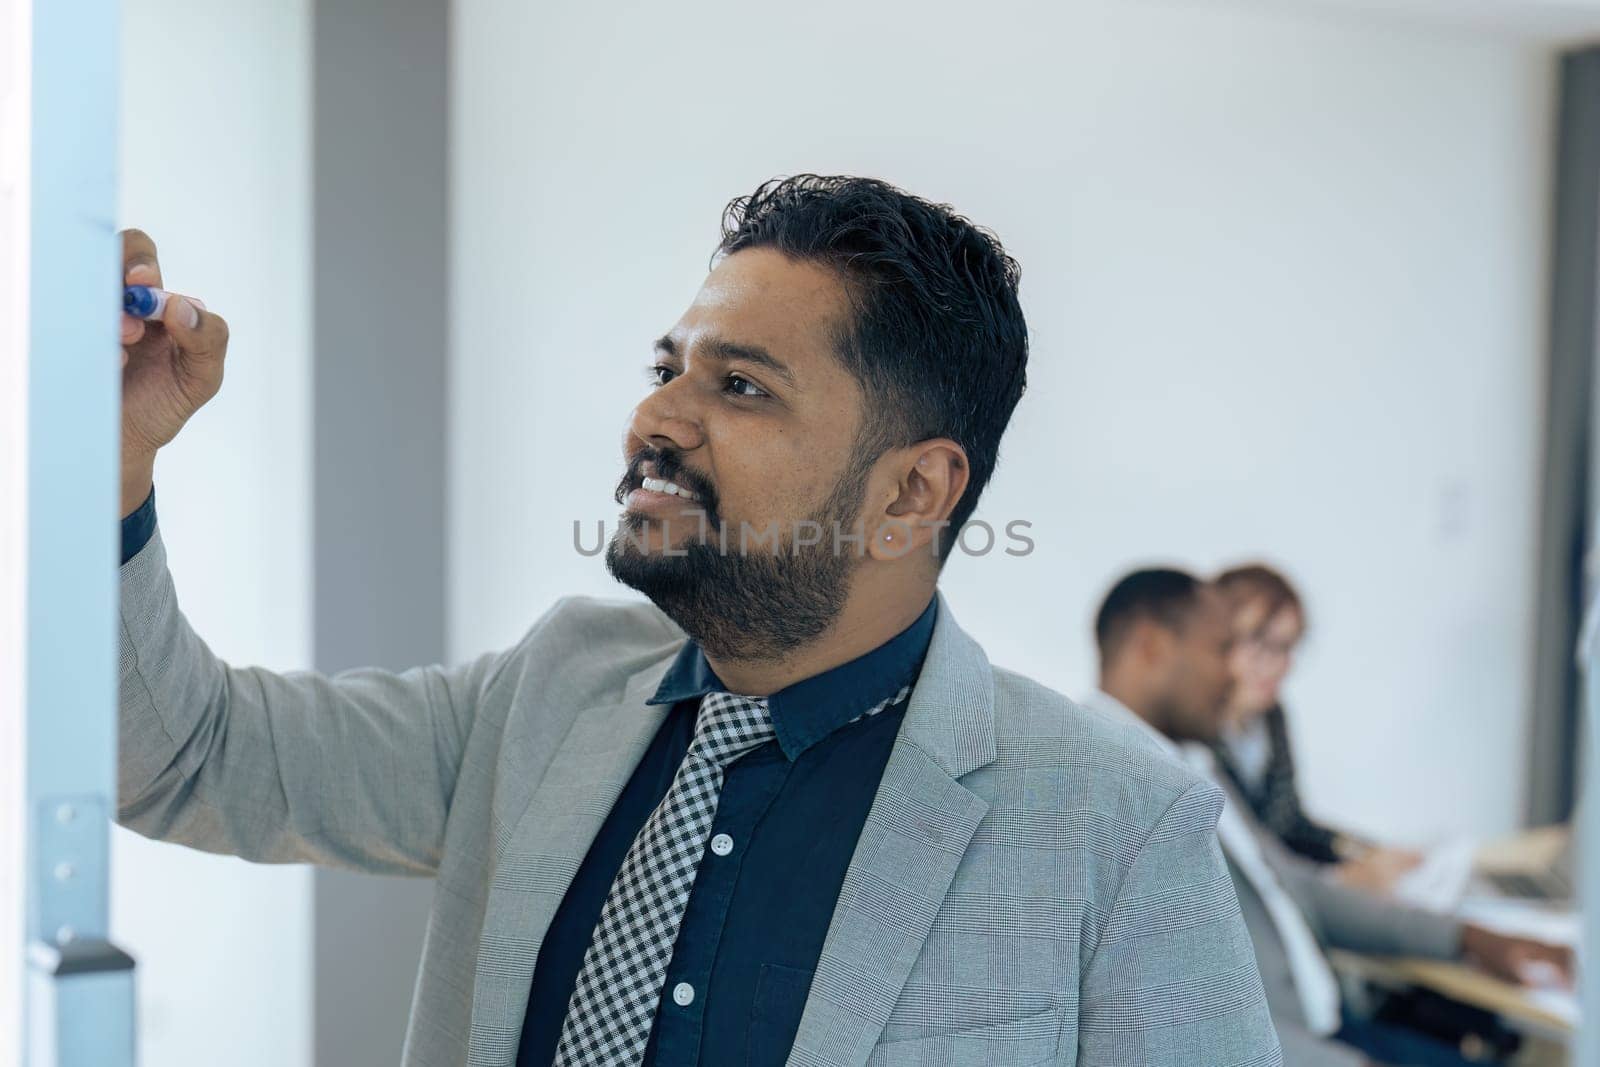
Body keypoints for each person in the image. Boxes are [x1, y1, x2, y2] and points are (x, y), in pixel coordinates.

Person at [113, 177, 1281, 1066]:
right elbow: (184, 757)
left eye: (740, 386)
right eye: (667, 364)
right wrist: (110, 466)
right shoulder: (551, 689)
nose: (654, 414)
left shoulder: (1118, 829)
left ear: (911, 493)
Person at [1082, 568, 1574, 1067]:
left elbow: (1294, 884)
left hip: (1322, 1024)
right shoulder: (1111, 791)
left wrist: (1466, 937)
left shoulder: (1185, 760)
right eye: (1221, 649)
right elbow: (1175, 1022)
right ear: (1152, 647)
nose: (1237, 673)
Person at [1212, 563, 1423, 892]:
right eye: (1261, 644)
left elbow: (1291, 825)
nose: (1278, 665)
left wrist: (1368, 852)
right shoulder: (1191, 734)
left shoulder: (1270, 717)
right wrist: (1336, 881)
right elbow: (1240, 857)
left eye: (1287, 647)